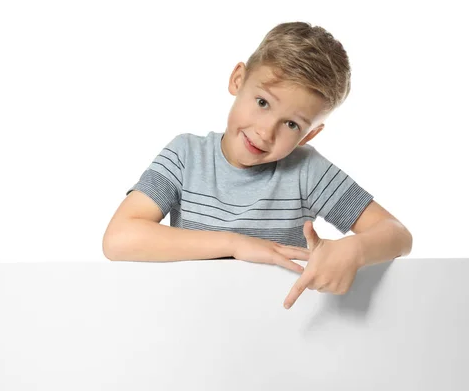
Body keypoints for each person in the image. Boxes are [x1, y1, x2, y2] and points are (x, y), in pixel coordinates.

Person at [102, 21, 412, 309]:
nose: (265, 132)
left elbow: (397, 234)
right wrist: (235, 245)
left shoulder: (307, 171)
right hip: (191, 326)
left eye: (291, 124)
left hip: (276, 332)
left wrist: (353, 251)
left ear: (309, 134)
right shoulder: (186, 156)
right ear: (238, 79)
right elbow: (118, 239)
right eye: (262, 102)